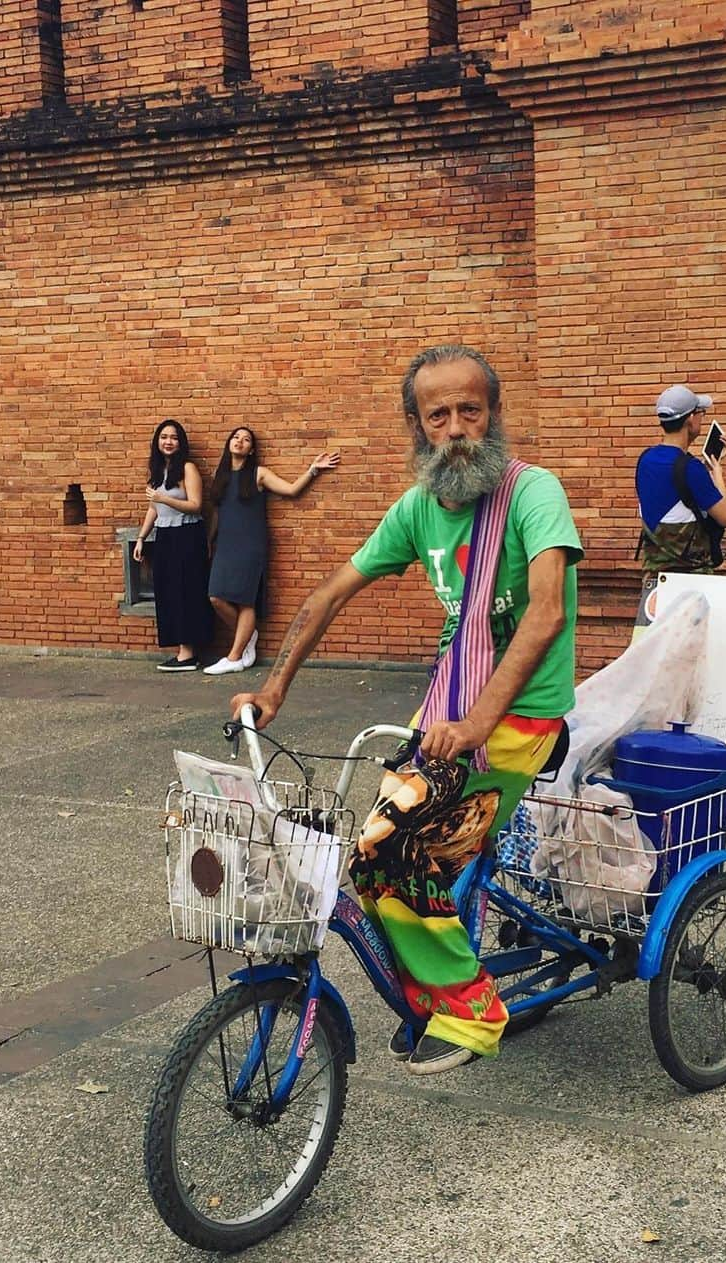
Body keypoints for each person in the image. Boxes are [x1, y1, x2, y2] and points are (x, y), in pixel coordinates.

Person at [232, 345, 583, 1074]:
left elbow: (546, 613)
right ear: (418, 428)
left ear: (492, 416)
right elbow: (330, 593)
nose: (456, 428)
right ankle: (432, 977)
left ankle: (470, 1006)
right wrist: (273, 687)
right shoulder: (417, 509)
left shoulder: (533, 492)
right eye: (438, 415)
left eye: (470, 411)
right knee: (372, 855)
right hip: (448, 708)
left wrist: (484, 720)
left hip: (519, 718)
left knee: (393, 846)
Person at [633, 383, 726, 757]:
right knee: (714, 654)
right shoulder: (691, 469)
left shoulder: (645, 460)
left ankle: (649, 731)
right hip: (693, 578)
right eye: (700, 414)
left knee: (657, 656)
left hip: (656, 578)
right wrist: (718, 472)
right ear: (690, 421)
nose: (703, 420)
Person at [203, 427, 340, 676]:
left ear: (251, 449)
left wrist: (313, 469)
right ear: (229, 443)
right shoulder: (220, 475)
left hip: (250, 544)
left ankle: (235, 656)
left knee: (245, 601)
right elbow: (217, 513)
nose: (240, 442)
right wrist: (209, 541)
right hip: (225, 544)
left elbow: (291, 490)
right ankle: (247, 636)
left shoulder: (258, 474)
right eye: (236, 437)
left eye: (246, 440)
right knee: (216, 597)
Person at [134, 420, 213, 671]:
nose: (168, 442)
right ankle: (182, 651)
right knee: (167, 591)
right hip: (165, 537)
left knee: (185, 591)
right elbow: (154, 509)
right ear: (157, 441)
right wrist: (141, 537)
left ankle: (188, 655)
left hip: (187, 535)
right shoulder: (159, 471)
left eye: (174, 438)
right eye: (164, 437)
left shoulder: (188, 468)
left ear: (181, 443)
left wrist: (162, 497)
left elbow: (196, 505)